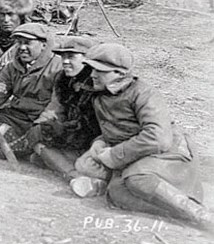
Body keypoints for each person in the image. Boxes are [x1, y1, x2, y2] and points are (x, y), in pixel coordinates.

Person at [76, 43, 212, 229]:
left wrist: (114, 155)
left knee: (137, 179)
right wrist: (99, 143)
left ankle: (201, 216)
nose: (92, 75)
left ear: (119, 73)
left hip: (170, 153)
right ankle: (179, 215)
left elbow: (158, 137)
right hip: (141, 153)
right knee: (117, 193)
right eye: (92, 69)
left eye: (100, 70)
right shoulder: (101, 95)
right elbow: (118, 130)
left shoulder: (144, 93)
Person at [8, 36, 103, 183]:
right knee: (39, 143)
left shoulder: (98, 84)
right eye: (63, 57)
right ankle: (73, 175)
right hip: (75, 136)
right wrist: (40, 126)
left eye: (71, 57)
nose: (65, 61)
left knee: (41, 153)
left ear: (87, 59)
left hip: (97, 141)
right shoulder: (64, 80)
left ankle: (74, 175)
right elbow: (55, 108)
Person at [0, 23, 62, 157]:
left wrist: (41, 124)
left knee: (38, 136)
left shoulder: (57, 67)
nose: (22, 48)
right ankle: (7, 141)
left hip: (37, 120)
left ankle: (0, 149)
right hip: (15, 117)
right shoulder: (14, 66)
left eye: (28, 43)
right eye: (19, 43)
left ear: (44, 45)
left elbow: (56, 104)